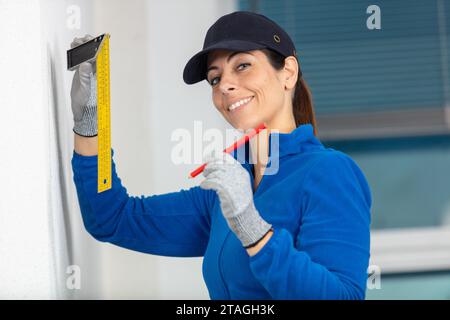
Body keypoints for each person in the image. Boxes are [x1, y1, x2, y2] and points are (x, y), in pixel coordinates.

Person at [70, 11, 372, 300]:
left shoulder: (328, 173)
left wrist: (251, 227)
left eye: (242, 65)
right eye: (215, 79)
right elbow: (112, 219)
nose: (225, 85)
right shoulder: (226, 191)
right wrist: (90, 121)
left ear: (288, 73)